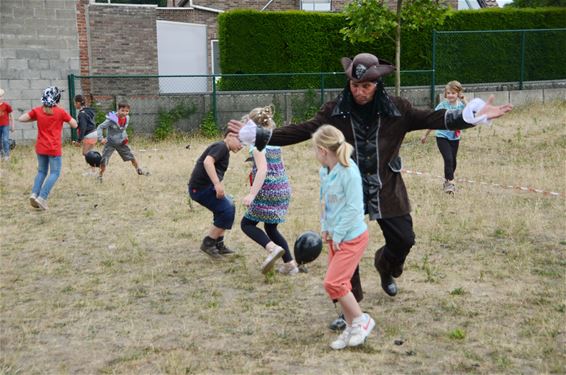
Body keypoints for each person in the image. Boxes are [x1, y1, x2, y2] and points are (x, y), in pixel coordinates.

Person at [229, 53, 512, 328]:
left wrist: (470, 114)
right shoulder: (334, 112)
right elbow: (303, 130)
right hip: (346, 190)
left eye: (366, 86)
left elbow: (434, 119)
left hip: (386, 186)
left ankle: (385, 267)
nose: (360, 91)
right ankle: (349, 309)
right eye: (355, 85)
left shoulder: (398, 108)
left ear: (378, 84)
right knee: (343, 249)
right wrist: (260, 135)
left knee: (404, 240)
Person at [313, 124, 375, 350]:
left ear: (322, 150)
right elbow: (326, 203)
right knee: (338, 285)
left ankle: (361, 320)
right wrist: (326, 227)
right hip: (334, 236)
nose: (314, 154)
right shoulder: (325, 172)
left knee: (333, 282)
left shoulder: (349, 171)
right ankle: (350, 328)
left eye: (314, 149)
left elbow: (353, 208)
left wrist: (338, 233)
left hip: (352, 237)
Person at [240, 106, 297, 275]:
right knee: (271, 228)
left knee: (247, 224)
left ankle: (272, 248)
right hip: (282, 188)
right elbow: (281, 166)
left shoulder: (258, 145)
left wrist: (252, 194)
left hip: (268, 190)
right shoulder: (274, 142)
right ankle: (290, 265)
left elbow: (263, 170)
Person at [18, 86, 78, 210]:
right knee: (55, 173)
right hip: (53, 148)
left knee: (41, 172)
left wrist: (36, 117)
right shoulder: (60, 112)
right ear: (57, 99)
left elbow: (21, 118)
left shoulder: (38, 110)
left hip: (40, 147)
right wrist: (65, 117)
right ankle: (42, 197)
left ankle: (34, 194)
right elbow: (74, 124)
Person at [189, 130, 243, 259]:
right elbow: (208, 162)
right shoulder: (221, 146)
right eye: (240, 141)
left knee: (227, 207)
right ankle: (208, 243)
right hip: (201, 188)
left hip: (205, 187)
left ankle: (218, 243)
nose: (241, 146)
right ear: (230, 136)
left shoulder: (224, 149)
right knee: (227, 210)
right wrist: (217, 184)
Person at [420, 81, 467, 194]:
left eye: (453, 93)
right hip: (442, 136)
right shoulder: (442, 106)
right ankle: (450, 183)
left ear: (458, 94)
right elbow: (433, 120)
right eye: (448, 93)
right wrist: (425, 135)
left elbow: (471, 110)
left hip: (455, 137)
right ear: (445, 94)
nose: (450, 95)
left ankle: (447, 180)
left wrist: (464, 99)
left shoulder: (461, 105)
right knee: (448, 159)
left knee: (453, 161)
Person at [96, 102, 148, 181]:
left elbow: (123, 129)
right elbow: (100, 127)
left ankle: (138, 169)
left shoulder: (127, 118)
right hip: (110, 142)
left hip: (121, 142)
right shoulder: (111, 119)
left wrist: (125, 137)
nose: (124, 113)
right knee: (104, 159)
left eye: (127, 111)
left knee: (131, 156)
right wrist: (101, 138)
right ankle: (100, 176)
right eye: (122, 110)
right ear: (118, 110)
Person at [73, 94, 98, 175]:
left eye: (75, 103)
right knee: (90, 153)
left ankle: (93, 171)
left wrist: (79, 140)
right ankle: (93, 170)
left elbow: (83, 127)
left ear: (78, 103)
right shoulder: (89, 110)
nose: (74, 105)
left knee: (86, 153)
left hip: (89, 135)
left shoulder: (81, 113)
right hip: (95, 133)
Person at [0, 88, 15, 161]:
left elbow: (11, 115)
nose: (0, 98)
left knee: (5, 140)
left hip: (5, 125)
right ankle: (0, 153)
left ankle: (7, 155)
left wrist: (13, 125)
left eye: (1, 96)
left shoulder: (6, 105)